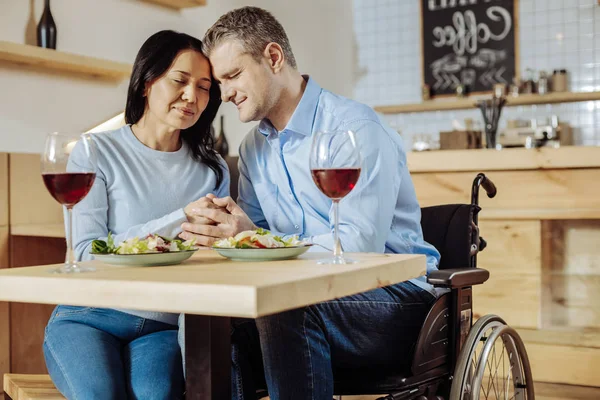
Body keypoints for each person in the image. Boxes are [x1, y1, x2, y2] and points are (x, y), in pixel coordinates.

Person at [180, 7, 441, 400]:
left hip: (396, 297)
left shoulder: (353, 130)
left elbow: (358, 248)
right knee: (210, 318)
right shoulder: (253, 149)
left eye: (233, 76)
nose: (226, 93)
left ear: (273, 57)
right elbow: (257, 249)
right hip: (306, 297)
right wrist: (229, 238)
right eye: (220, 82)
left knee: (288, 307)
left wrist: (257, 239)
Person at [42, 30, 228, 400]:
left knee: (155, 396)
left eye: (205, 87)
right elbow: (86, 252)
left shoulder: (213, 170)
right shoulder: (95, 151)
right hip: (88, 315)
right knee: (101, 394)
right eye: (180, 80)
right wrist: (181, 217)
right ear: (146, 82)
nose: (192, 96)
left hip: (163, 324)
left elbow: (213, 260)